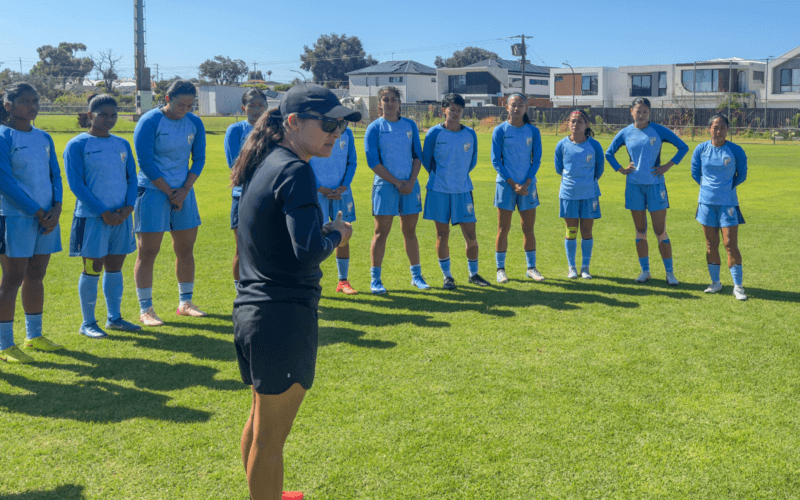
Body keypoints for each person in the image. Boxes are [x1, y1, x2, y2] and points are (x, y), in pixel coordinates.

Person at [231, 83, 357, 500]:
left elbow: (284, 241)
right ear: (293, 122)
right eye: (328, 123)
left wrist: (322, 232)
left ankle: (265, 493)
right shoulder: (296, 169)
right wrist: (337, 233)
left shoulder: (268, 161)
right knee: (271, 439)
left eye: (340, 125)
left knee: (260, 420)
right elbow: (306, 252)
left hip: (255, 312)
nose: (336, 132)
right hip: (281, 315)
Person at [64, 94, 140, 339]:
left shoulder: (122, 144)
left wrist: (129, 207)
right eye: (103, 114)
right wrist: (103, 212)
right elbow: (77, 185)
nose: (109, 119)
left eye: (113, 115)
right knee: (92, 268)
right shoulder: (77, 145)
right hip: (93, 218)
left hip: (121, 217)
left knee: (115, 268)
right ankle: (87, 323)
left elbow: (131, 178)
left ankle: (114, 318)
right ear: (90, 115)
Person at [133, 79, 206, 326]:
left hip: (184, 192)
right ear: (167, 99)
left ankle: (185, 303)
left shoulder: (195, 123)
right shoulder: (150, 121)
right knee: (148, 252)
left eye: (189, 105)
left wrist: (184, 189)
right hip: (153, 192)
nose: (184, 109)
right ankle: (146, 310)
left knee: (185, 249)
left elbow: (199, 159)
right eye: (179, 104)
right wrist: (168, 190)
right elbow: (145, 161)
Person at [0, 82, 64, 363]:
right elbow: (5, 182)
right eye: (25, 101)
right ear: (8, 105)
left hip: (47, 218)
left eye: (35, 100)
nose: (32, 106)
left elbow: (55, 176)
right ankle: (4, 345)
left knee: (36, 276)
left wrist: (57, 208)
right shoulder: (4, 136)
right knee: (12, 278)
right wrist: (38, 211)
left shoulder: (44, 137)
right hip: (15, 218)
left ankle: (34, 336)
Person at [605, 97, 689, 285]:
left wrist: (667, 166)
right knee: (640, 230)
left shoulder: (658, 130)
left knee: (660, 230)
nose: (641, 115)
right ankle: (645, 271)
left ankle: (670, 273)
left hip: (655, 185)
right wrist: (621, 169)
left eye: (644, 111)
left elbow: (683, 147)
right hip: (634, 186)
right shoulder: (626, 132)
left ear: (649, 113)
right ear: (631, 112)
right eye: (638, 111)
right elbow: (609, 153)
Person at [364, 86, 429, 294]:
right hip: (385, 186)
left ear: (400, 103)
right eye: (385, 99)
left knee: (410, 231)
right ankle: (376, 280)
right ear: (380, 104)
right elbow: (373, 161)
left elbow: (417, 156)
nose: (390, 103)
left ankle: (417, 276)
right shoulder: (374, 128)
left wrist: (410, 182)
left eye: (393, 99)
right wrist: (396, 182)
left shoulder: (410, 125)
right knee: (381, 232)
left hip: (410, 186)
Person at [422, 93, 488, 289]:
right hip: (438, 190)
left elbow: (472, 161)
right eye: (452, 109)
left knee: (471, 236)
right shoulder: (434, 133)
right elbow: (427, 160)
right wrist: (443, 177)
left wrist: (458, 177)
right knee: (442, 235)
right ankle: (447, 276)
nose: (456, 113)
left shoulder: (470, 134)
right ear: (444, 110)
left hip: (463, 191)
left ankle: (473, 274)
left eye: (459, 110)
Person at [691, 113, 748, 300]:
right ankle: (715, 283)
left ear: (727, 130)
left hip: (728, 203)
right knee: (710, 244)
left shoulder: (735, 150)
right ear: (709, 129)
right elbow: (695, 173)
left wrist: (725, 189)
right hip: (706, 203)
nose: (718, 131)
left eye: (722, 127)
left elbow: (742, 174)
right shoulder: (700, 149)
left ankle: (738, 286)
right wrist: (709, 190)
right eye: (715, 127)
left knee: (730, 243)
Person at [490, 93, 544, 283]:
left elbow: (536, 160)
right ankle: (500, 270)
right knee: (503, 228)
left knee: (528, 228)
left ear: (526, 108)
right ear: (506, 107)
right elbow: (496, 160)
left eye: (521, 105)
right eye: (513, 105)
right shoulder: (500, 130)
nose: (517, 108)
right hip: (506, 186)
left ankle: (531, 268)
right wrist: (513, 183)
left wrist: (527, 183)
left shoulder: (533, 131)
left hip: (528, 186)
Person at [309, 113, 359, 295]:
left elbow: (352, 162)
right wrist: (319, 187)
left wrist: (343, 186)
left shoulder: (348, 134)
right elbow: (304, 160)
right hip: (316, 192)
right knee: (313, 236)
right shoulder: (315, 132)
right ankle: (311, 281)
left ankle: (343, 281)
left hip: (341, 193)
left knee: (343, 232)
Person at [225, 88, 267, 291]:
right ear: (243, 108)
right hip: (242, 196)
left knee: (267, 247)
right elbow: (235, 166)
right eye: (252, 105)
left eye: (260, 105)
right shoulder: (235, 130)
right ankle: (240, 292)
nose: (256, 109)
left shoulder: (274, 130)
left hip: (268, 196)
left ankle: (263, 289)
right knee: (242, 249)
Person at [554, 110, 604, 279]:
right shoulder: (562, 145)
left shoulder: (595, 145)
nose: (575, 124)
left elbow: (599, 170)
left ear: (586, 124)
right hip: (568, 194)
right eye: (572, 121)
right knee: (571, 230)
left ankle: (585, 267)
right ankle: (571, 267)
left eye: (579, 122)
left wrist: (587, 183)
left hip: (589, 194)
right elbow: (558, 168)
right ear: (569, 124)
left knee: (587, 231)